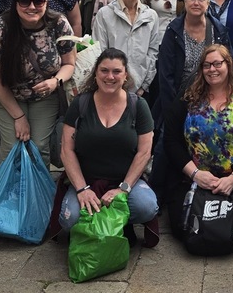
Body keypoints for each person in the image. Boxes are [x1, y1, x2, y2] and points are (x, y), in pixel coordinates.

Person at [163, 44, 233, 252]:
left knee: (231, 229)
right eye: (207, 65)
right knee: (183, 229)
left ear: (228, 65)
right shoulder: (188, 98)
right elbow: (171, 140)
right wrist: (195, 174)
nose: (212, 69)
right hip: (191, 180)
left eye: (217, 64)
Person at [58, 48, 159, 241]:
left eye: (116, 71)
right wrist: (82, 189)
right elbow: (66, 150)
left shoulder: (138, 106)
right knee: (69, 219)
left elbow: (144, 152)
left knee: (147, 207)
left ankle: (117, 223)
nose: (110, 76)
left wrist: (123, 189)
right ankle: (107, 225)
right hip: (86, 181)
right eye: (104, 70)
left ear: (125, 75)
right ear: (95, 73)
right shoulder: (80, 104)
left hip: (125, 182)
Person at [0, 0, 77, 166]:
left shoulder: (59, 23)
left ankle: (37, 190)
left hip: (44, 93)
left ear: (46, 3)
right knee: (13, 146)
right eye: (25, 1)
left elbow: (69, 64)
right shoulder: (0, 28)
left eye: (38, 1)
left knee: (39, 146)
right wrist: (19, 117)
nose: (32, 7)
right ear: (16, 3)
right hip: (7, 92)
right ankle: (10, 191)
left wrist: (56, 81)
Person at [158, 0, 231, 111]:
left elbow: (228, 66)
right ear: (185, 1)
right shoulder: (174, 30)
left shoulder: (219, 31)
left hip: (213, 100)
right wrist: (172, 108)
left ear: (208, 3)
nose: (196, 3)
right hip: (180, 100)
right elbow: (165, 74)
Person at [92, 0, 159, 96]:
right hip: (110, 85)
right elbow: (99, 51)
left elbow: (153, 53)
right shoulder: (105, 14)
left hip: (140, 89)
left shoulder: (151, 16)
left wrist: (144, 87)